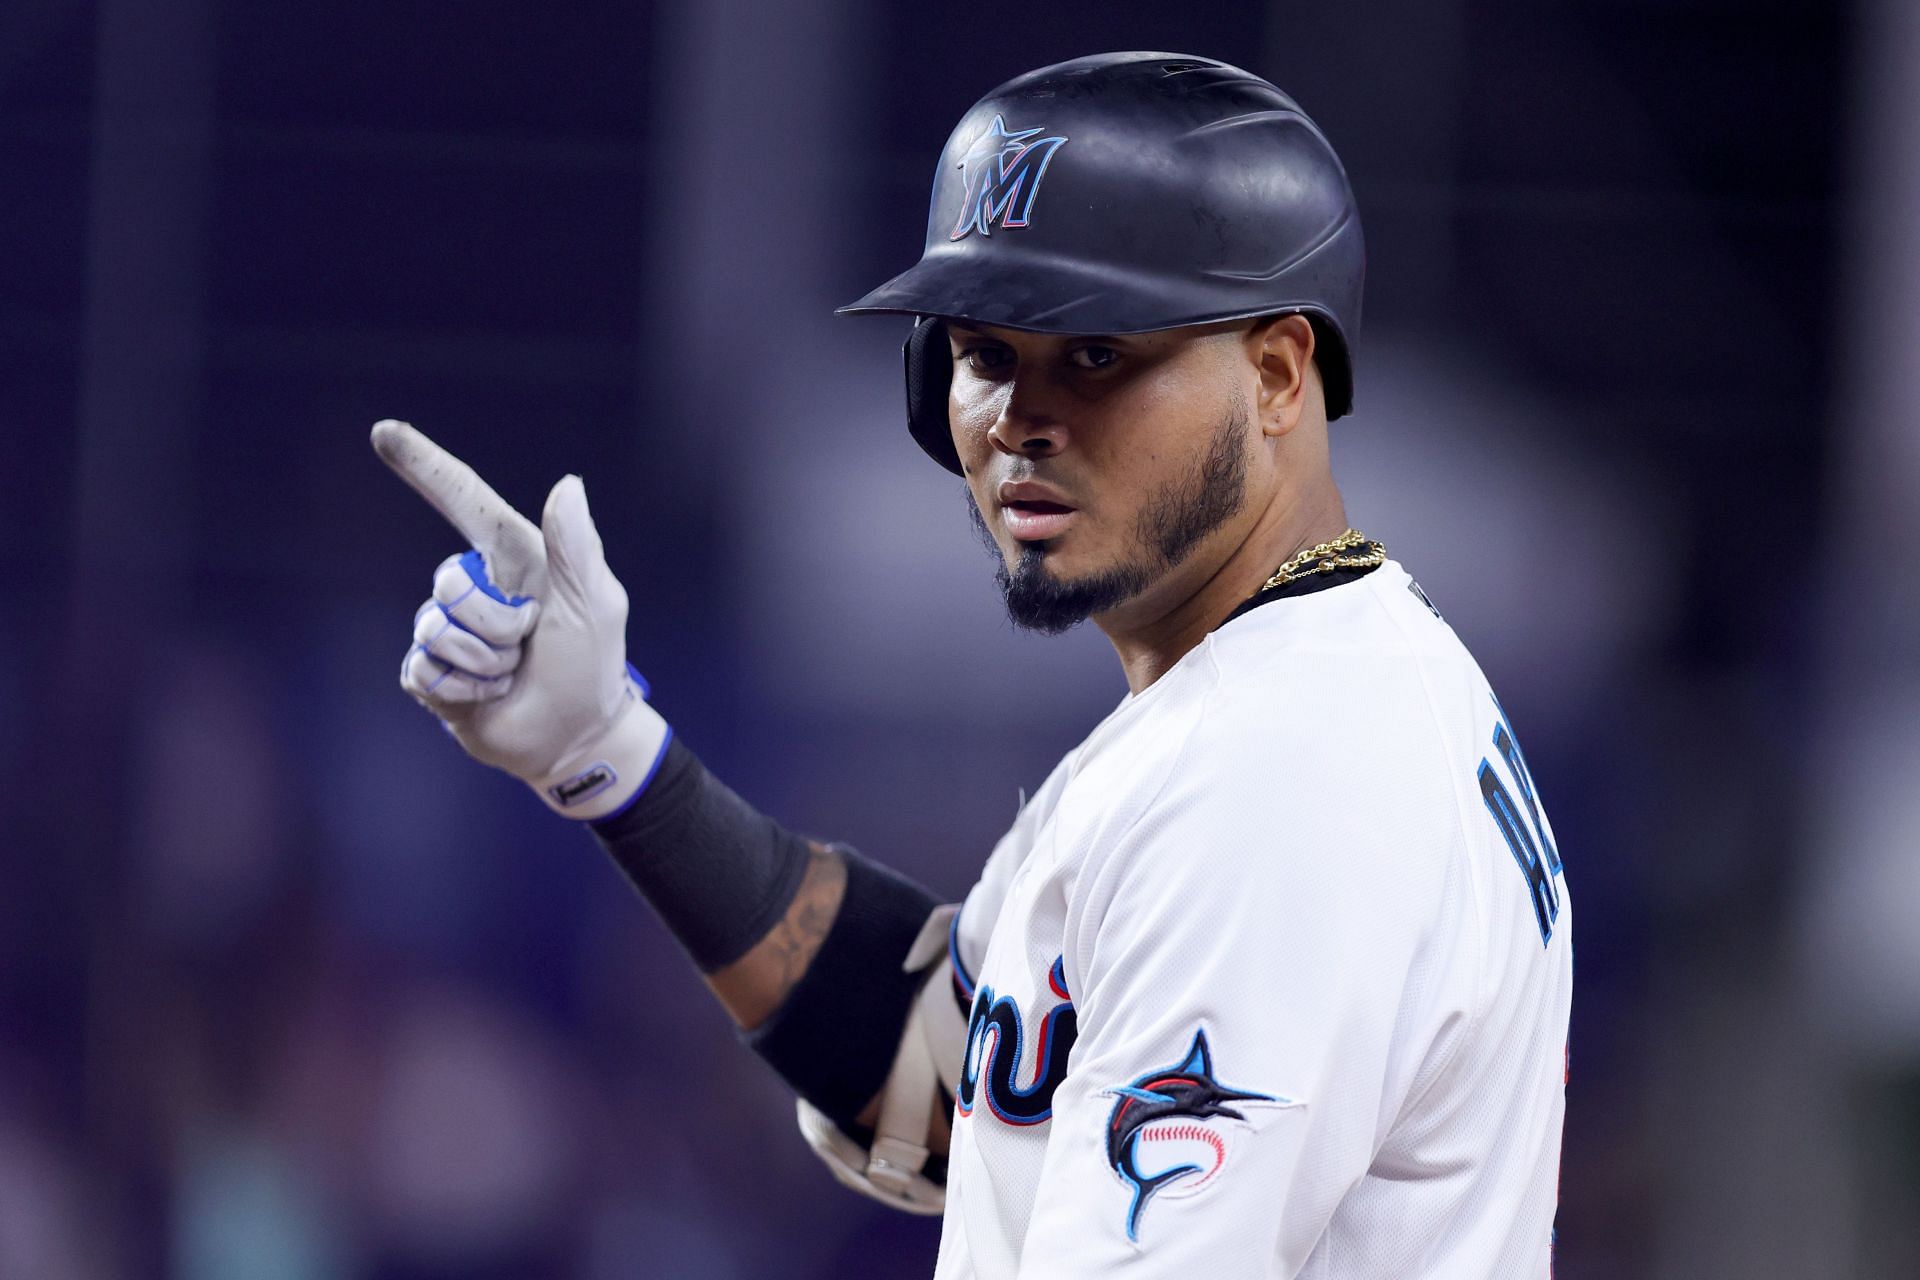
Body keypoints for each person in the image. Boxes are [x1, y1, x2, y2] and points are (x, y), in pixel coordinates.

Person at [375, 51, 1571, 1279]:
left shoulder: (1276, 780)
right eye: (984, 351)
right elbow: (942, 1073)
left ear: (1274, 375)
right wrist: (612, 757)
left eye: (1096, 353)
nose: (1016, 416)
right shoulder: (1295, 688)